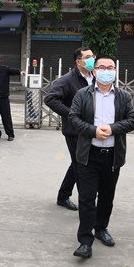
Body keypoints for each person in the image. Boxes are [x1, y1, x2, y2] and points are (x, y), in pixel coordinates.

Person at [68, 55, 134, 259]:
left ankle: (101, 228)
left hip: (112, 156)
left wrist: (113, 128)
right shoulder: (83, 94)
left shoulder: (124, 96)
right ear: (94, 71)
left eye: (110, 67)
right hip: (89, 155)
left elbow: (133, 120)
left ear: (115, 71)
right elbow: (73, 118)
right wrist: (93, 131)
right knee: (87, 198)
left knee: (107, 196)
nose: (106, 71)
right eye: (102, 67)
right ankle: (85, 241)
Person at [44, 47, 95, 211]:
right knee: (81, 165)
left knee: (78, 162)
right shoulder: (67, 80)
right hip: (74, 131)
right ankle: (87, 203)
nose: (92, 59)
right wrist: (71, 114)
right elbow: (50, 98)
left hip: (91, 129)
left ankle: (63, 195)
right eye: (88, 57)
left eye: (93, 56)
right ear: (78, 62)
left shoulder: (94, 76)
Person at [0, 54, 26, 141]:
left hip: (3, 98)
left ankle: (10, 134)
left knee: (6, 117)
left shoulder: (4, 69)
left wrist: (20, 72)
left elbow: (13, 70)